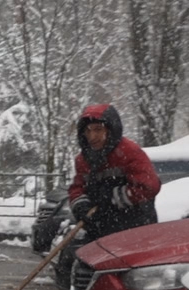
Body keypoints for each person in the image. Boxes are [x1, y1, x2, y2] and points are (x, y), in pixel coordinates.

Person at [68, 102, 161, 240]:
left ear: (111, 130)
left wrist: (112, 198)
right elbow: (77, 187)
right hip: (99, 230)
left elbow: (149, 187)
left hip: (135, 229)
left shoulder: (129, 152)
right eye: (88, 131)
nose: (92, 137)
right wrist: (80, 205)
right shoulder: (83, 160)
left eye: (98, 130)